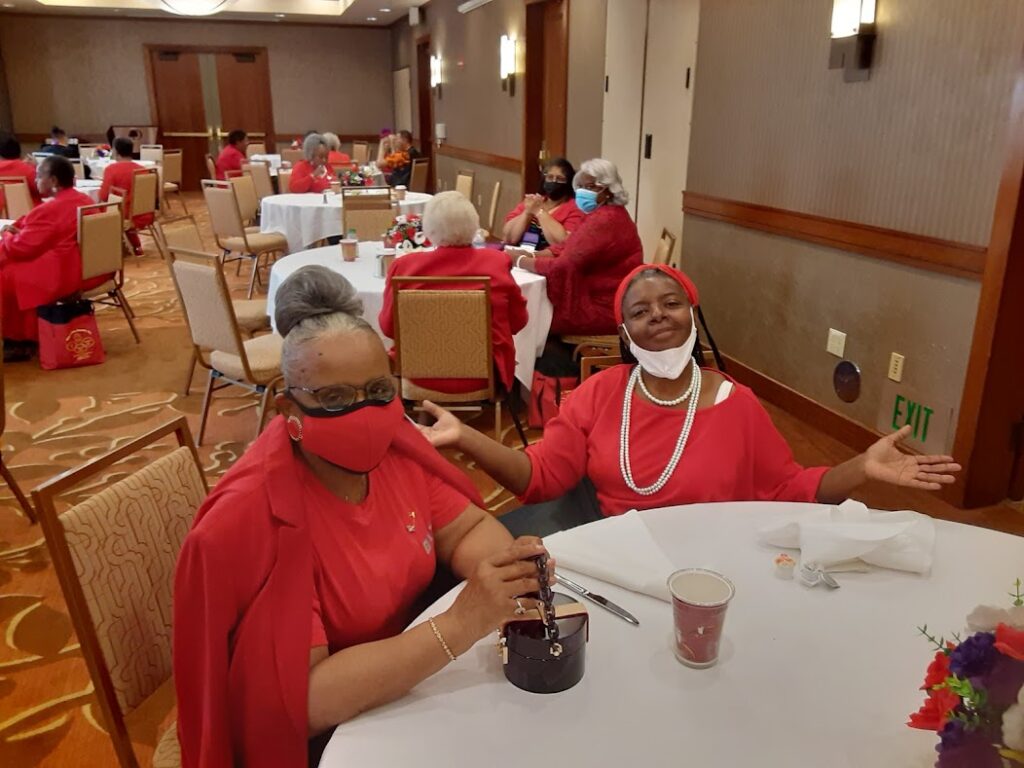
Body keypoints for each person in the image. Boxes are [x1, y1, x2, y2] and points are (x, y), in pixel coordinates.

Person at [173, 266, 553, 767]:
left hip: (404, 682)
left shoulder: (398, 451)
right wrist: (461, 623)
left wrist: (505, 574)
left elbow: (466, 527)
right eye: (333, 398)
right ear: (287, 409)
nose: (365, 412)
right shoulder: (261, 519)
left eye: (377, 391)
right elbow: (303, 701)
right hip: (326, 734)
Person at [417, 263, 962, 536]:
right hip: (614, 560)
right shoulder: (599, 393)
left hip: (710, 563)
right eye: (639, 311)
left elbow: (788, 486)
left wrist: (860, 466)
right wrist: (464, 435)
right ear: (625, 334)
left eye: (670, 303)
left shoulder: (737, 402)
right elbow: (540, 478)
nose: (657, 314)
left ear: (692, 316)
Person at [379, 191, 528, 395]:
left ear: (429, 229)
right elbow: (518, 321)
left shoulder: (404, 267)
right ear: (474, 224)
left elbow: (388, 328)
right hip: (485, 375)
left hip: (418, 375)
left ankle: (424, 416)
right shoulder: (497, 263)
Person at [512, 158, 643, 336]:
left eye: (590, 187)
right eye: (581, 187)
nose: (583, 192)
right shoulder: (602, 213)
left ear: (608, 190)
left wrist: (520, 261)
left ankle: (524, 361)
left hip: (601, 307)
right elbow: (569, 246)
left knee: (524, 317)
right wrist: (536, 256)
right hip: (610, 298)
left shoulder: (605, 220)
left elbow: (564, 266)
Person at [0, 156, 111, 360]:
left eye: (39, 176)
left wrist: (7, 234)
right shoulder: (83, 199)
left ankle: (20, 340)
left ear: (53, 181)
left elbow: (21, 248)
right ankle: (24, 336)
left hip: (63, 273)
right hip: (86, 266)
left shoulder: (51, 209)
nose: (35, 181)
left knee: (7, 274)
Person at [503, 158, 585, 256]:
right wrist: (527, 213)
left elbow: (563, 244)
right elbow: (509, 238)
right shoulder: (534, 201)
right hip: (517, 256)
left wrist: (540, 212)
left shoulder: (574, 208)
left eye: (560, 179)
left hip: (546, 262)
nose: (554, 182)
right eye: (550, 177)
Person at [99, 137, 154, 256]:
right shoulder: (142, 169)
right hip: (144, 213)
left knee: (96, 211)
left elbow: (103, 196)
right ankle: (135, 245)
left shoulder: (111, 169)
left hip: (123, 214)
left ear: (115, 151)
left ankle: (105, 248)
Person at [0, 132, 42, 210]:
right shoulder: (27, 169)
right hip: (30, 217)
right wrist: (38, 167)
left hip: (3, 218)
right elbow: (44, 191)